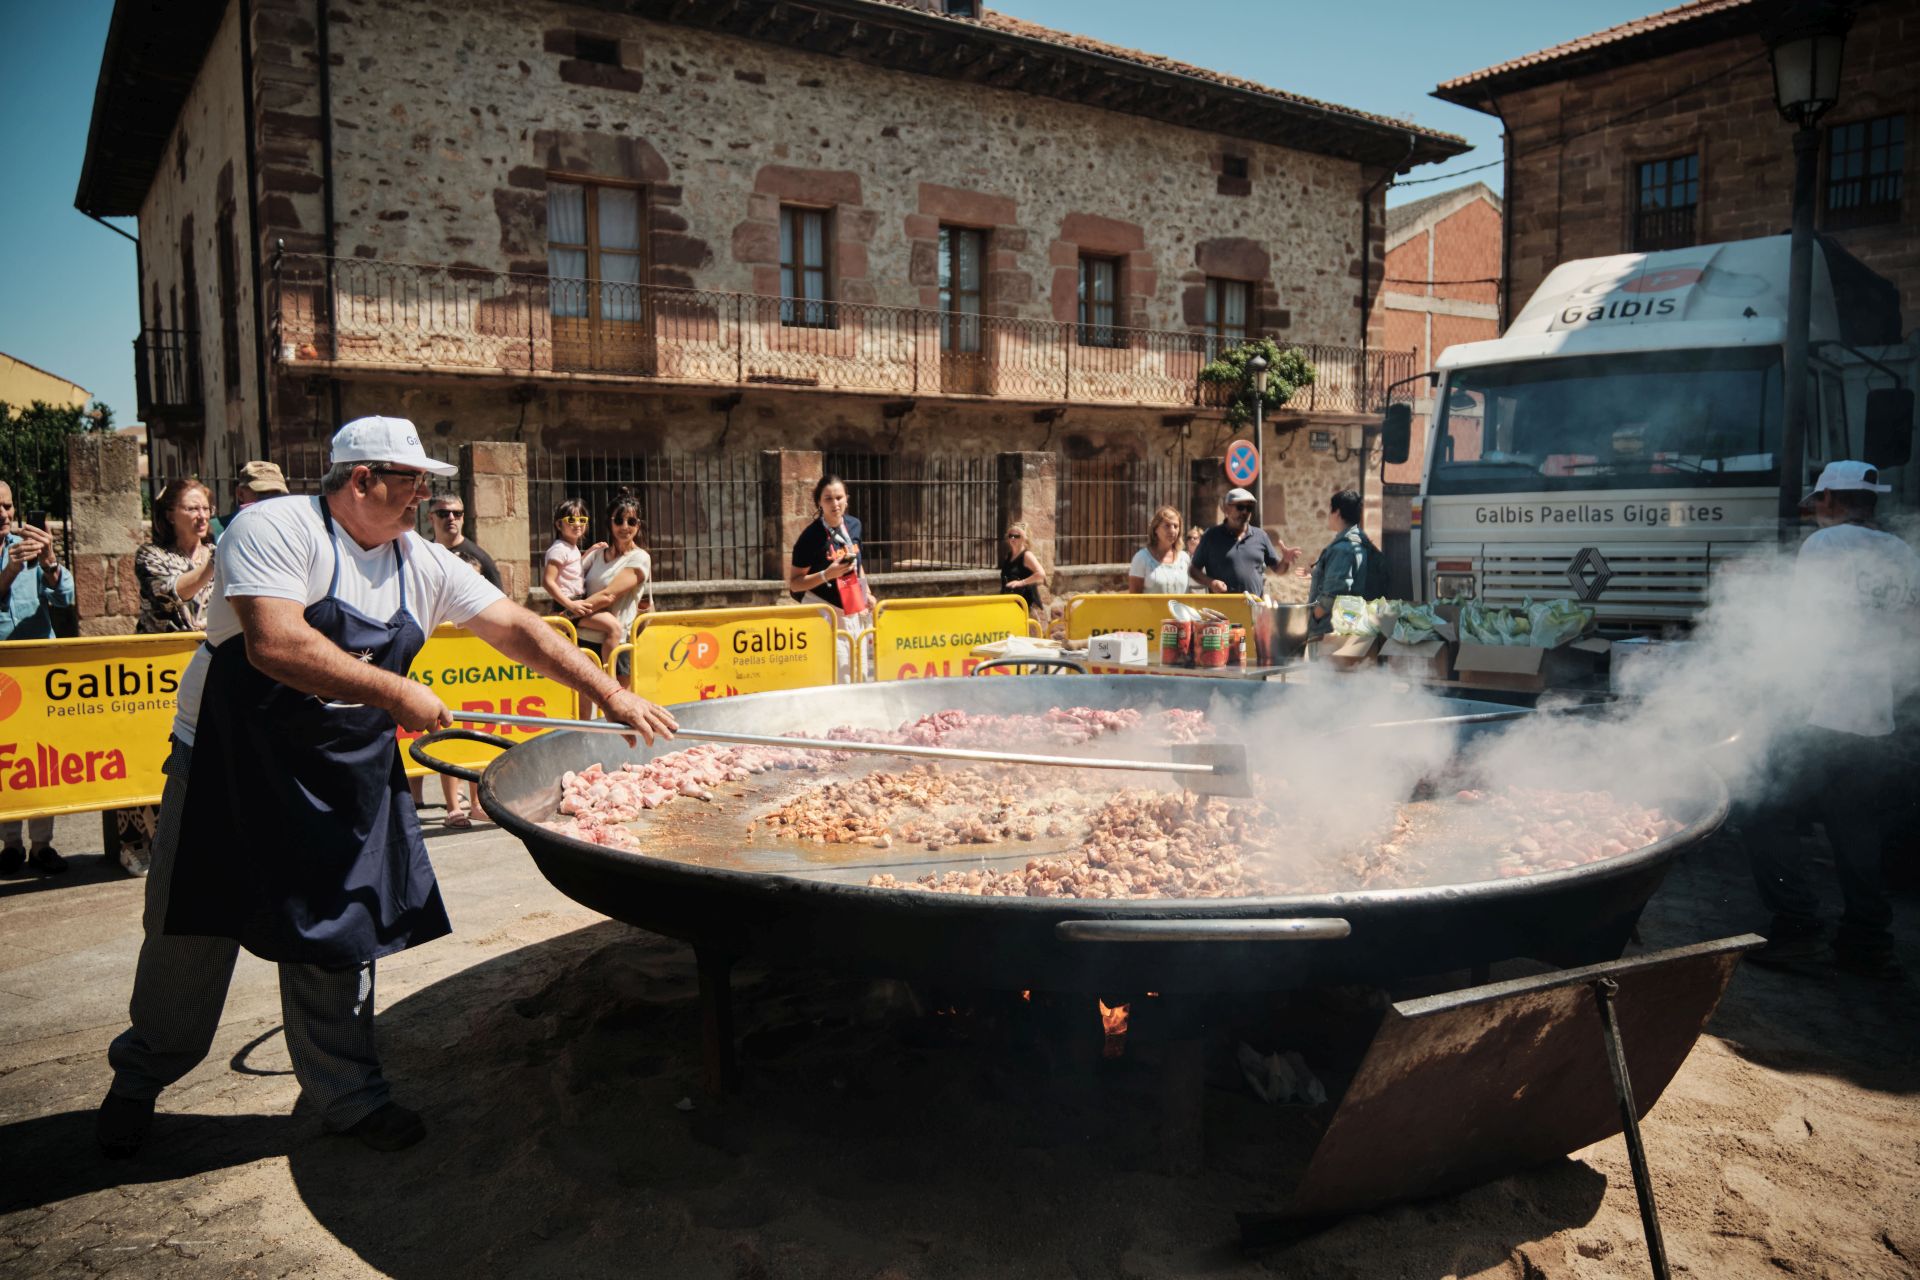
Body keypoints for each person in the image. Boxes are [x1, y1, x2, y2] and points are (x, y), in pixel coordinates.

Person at [96, 416, 677, 1159]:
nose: (421, 499)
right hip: (230, 768)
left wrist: (609, 696)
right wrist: (396, 694)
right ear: (362, 480)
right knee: (193, 930)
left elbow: (516, 627)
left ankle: (348, 1096)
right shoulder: (272, 528)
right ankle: (141, 1078)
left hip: (340, 770)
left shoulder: (420, 559)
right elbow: (275, 642)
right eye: (410, 483)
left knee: (340, 935)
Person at [1746, 461, 1919, 980]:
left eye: (1817, 502)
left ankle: (1798, 928)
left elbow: (1806, 627)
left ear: (1828, 500)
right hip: (1874, 714)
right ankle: (1867, 941)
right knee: (1856, 828)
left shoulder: (1824, 546)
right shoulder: (1902, 551)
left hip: (1819, 709)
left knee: (1763, 811)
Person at [113, 480, 219, 875]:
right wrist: (212, 566)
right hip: (157, 673)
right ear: (169, 514)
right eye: (192, 508)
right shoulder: (152, 556)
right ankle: (139, 843)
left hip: (206, 669)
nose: (202, 515)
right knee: (150, 753)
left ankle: (195, 839)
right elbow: (174, 596)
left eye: (205, 507)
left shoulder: (215, 550)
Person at [0, 480, 74, 876]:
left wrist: (49, 561)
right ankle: (10, 844)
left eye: (9, 506)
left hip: (38, 669)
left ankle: (42, 844)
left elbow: (66, 598)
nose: (5, 514)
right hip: (2, 672)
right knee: (5, 759)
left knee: (41, 758)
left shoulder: (27, 545)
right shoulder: (12, 556)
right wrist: (11, 568)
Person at [787, 475, 871, 678]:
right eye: (828, 499)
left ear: (847, 499)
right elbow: (795, 585)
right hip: (826, 613)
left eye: (839, 497)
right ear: (819, 503)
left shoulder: (854, 526)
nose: (835, 503)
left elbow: (857, 564)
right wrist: (827, 574)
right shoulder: (810, 537)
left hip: (853, 609)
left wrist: (867, 592)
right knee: (839, 676)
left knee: (861, 673)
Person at [574, 490, 652, 660]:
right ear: (609, 524)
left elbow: (608, 595)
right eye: (618, 520)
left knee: (615, 687)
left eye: (631, 521)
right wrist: (587, 553)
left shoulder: (639, 558)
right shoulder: (597, 554)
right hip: (583, 640)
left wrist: (570, 614)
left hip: (617, 645)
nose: (625, 527)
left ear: (638, 525)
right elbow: (570, 578)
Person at [1306, 489, 1385, 639]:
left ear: (1337, 512)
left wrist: (1314, 617)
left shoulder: (1343, 549)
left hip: (1331, 633)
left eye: (1331, 511)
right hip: (1353, 628)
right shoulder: (1361, 543)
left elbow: (1333, 593)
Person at [1190, 487, 1298, 597]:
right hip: (1222, 609)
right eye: (1240, 507)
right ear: (1227, 509)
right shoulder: (1211, 536)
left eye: (1249, 508)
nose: (1245, 512)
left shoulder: (1260, 536)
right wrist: (1211, 583)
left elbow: (1279, 570)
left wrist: (1285, 560)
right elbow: (1193, 570)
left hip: (1254, 608)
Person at [542, 499, 603, 621]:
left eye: (582, 520)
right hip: (567, 603)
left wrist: (590, 551)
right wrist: (570, 605)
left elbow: (572, 569)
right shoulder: (559, 549)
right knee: (612, 627)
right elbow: (547, 582)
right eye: (571, 520)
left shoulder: (571, 547)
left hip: (576, 601)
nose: (577, 524)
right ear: (559, 525)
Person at [426, 493, 502, 590]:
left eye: (457, 513)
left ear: (462, 518)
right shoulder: (424, 553)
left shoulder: (480, 559)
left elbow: (498, 600)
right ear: (431, 518)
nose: (451, 518)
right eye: (443, 513)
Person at [212, 460, 290, 541]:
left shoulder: (289, 528)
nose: (269, 500)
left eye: (276, 494)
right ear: (240, 494)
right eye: (263, 494)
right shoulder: (214, 529)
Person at [1129, 506, 1193, 595]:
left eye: (1176, 526)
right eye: (1167, 525)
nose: (1172, 530)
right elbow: (1134, 598)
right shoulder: (1142, 558)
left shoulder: (1184, 558)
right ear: (1156, 529)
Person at [1000, 524, 1046, 612]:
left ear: (1024, 538)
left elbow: (1041, 574)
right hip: (1012, 603)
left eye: (1016, 536)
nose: (1012, 538)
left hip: (1026, 605)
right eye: (1010, 536)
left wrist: (1021, 582)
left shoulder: (1027, 555)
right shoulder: (1009, 555)